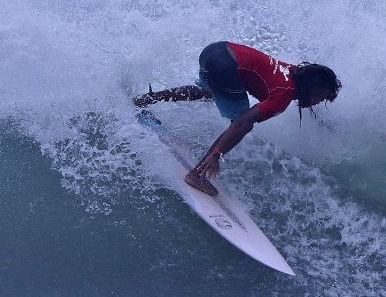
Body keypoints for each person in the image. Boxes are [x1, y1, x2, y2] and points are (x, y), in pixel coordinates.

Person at [134, 41, 341, 196]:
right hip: (225, 67)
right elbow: (243, 123)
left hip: (215, 51)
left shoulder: (294, 72)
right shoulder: (282, 96)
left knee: (207, 92)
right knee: (241, 124)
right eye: (318, 96)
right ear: (309, 88)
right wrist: (216, 154)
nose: (316, 102)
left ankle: (147, 99)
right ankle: (197, 174)